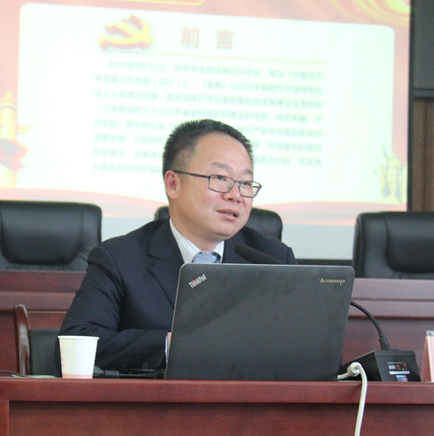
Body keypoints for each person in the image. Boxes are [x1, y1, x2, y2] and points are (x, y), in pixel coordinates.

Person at [59, 119, 296, 373]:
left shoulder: (274, 258)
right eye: (220, 178)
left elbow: (309, 347)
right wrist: (173, 345)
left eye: (245, 183)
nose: (235, 195)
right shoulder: (120, 259)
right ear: (173, 184)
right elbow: (76, 345)